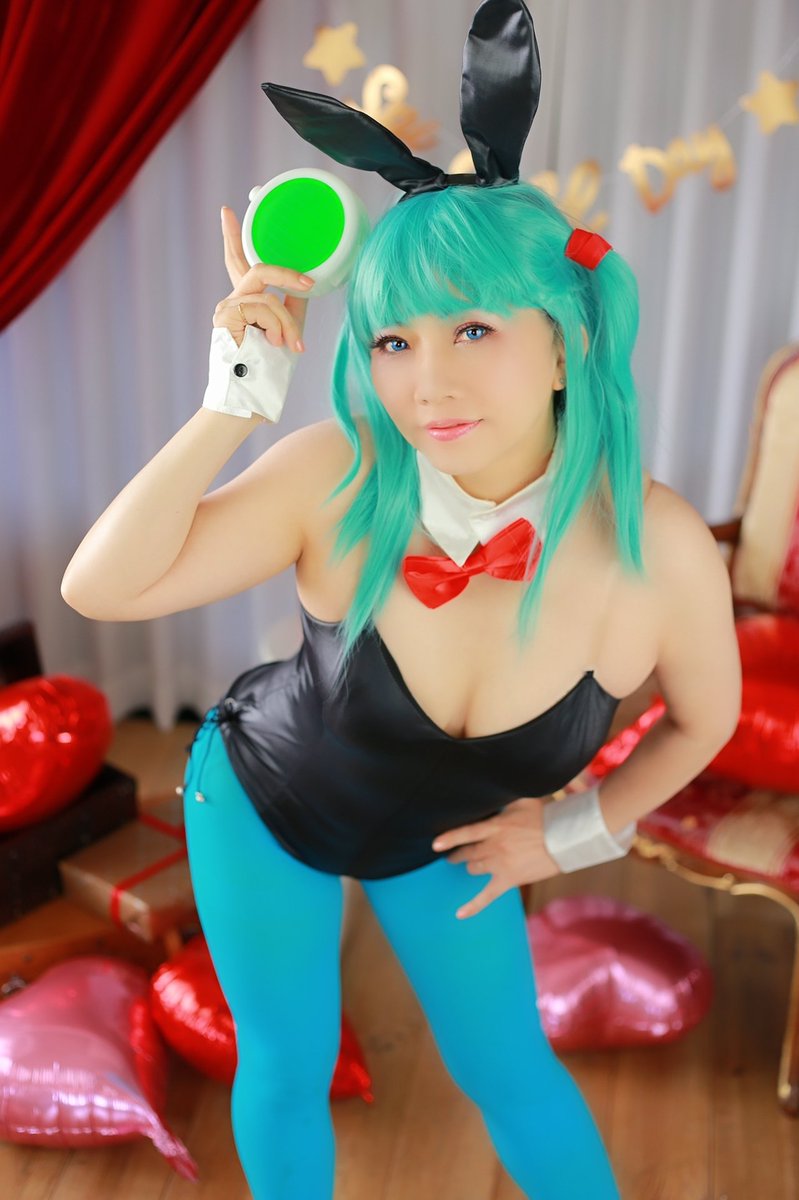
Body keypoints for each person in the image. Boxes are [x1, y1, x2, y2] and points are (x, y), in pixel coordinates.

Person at [60, 3, 741, 1197]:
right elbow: (99, 588)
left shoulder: (662, 548)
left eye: (472, 328)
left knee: (508, 1066)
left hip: (445, 842)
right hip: (263, 802)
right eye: (392, 341)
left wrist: (570, 831)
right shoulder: (339, 475)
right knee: (285, 1065)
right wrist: (233, 398)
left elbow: (706, 720)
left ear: (565, 341)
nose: (428, 384)